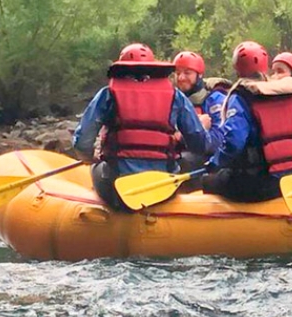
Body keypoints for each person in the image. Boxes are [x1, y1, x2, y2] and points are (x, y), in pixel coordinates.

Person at [73, 43, 209, 211]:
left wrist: (89, 157)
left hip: (117, 185)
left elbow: (82, 142)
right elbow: (200, 144)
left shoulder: (108, 94)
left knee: (95, 169)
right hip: (164, 184)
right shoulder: (176, 96)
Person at [199, 40, 292, 202]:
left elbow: (234, 143)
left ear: (237, 68)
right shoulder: (289, 94)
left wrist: (213, 164)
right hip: (291, 178)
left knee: (208, 181)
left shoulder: (241, 97)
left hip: (258, 184)